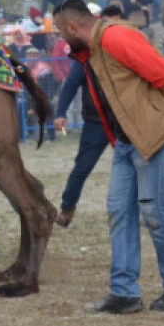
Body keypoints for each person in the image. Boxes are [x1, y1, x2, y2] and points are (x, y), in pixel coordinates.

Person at [54, 0, 164, 314]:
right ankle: (124, 292)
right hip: (126, 140)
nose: (59, 37)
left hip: (156, 133)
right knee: (120, 209)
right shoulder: (91, 51)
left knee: (154, 212)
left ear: (73, 26)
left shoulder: (116, 37)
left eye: (59, 31)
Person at [52, 55, 109, 228]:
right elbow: (70, 84)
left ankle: (145, 209)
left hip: (125, 121)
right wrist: (61, 113)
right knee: (82, 167)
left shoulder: (124, 51)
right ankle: (67, 209)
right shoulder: (85, 57)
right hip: (96, 121)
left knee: (137, 166)